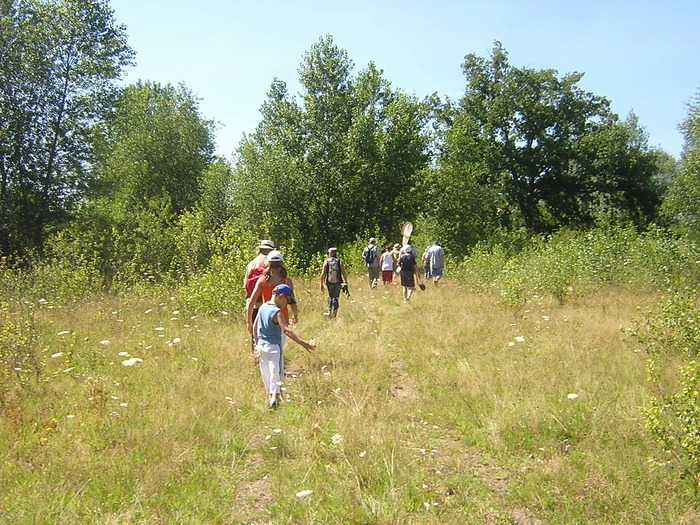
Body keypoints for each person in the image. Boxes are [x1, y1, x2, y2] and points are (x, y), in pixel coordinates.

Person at [253, 284, 316, 409]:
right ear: (281, 296)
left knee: (266, 373)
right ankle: (275, 398)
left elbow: (255, 326)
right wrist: (304, 343)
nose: (286, 304)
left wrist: (256, 345)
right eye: (287, 300)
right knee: (276, 372)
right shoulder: (277, 312)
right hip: (274, 347)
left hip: (261, 346)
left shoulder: (263, 307)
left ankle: (271, 397)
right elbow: (287, 330)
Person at [246, 250, 298, 337]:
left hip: (266, 317)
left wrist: (249, 321)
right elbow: (292, 302)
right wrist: (295, 315)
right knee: (279, 345)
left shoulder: (262, 280)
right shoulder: (286, 281)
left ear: (268, 263)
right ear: (281, 263)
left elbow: (252, 302)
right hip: (282, 318)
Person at [244, 240, 275, 352]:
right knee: (271, 332)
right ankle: (271, 356)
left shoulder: (251, 264)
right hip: (269, 303)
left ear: (260, 249)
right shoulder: (273, 264)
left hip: (254, 304)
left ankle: (256, 355)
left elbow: (245, 286)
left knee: (255, 332)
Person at [320, 247, 349, 318]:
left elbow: (323, 273)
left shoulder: (326, 261)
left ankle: (329, 311)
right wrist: (345, 281)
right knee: (336, 297)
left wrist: (321, 284)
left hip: (329, 282)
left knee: (330, 296)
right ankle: (335, 313)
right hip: (338, 282)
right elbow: (343, 272)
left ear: (329, 253)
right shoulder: (339, 261)